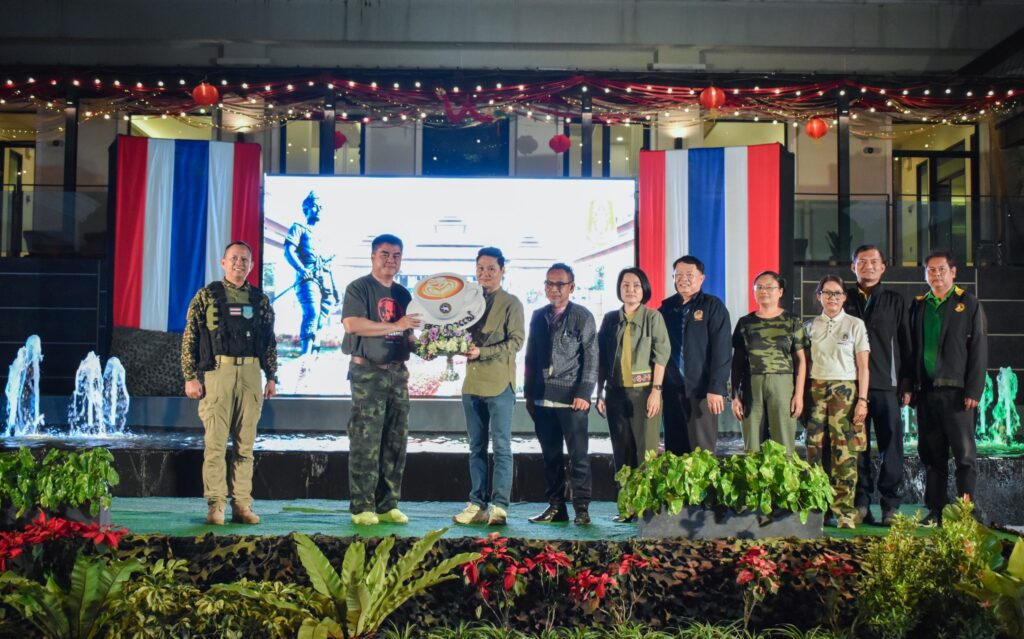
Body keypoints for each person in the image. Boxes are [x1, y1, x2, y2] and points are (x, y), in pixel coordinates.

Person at [181, 241, 277, 526]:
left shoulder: (260, 300)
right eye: (234, 258)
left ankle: (242, 504)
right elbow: (190, 337)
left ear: (252, 265)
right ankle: (216, 505)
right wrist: (190, 377)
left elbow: (268, 341)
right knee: (215, 444)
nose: (239, 263)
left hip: (251, 373)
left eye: (245, 259)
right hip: (217, 373)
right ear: (223, 262)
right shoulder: (206, 296)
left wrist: (272, 376)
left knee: (245, 446)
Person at [341, 234, 422, 526]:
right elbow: (353, 324)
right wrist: (395, 324)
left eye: (396, 255)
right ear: (373, 256)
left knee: (396, 440)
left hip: (397, 373)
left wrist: (429, 348)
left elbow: (408, 335)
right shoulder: (359, 287)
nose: (391, 260)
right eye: (385, 254)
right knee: (366, 439)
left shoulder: (403, 294)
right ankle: (362, 506)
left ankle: (388, 504)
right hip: (368, 373)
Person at [909, 250, 988, 525]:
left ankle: (965, 513)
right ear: (925, 275)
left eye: (941, 269)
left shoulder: (968, 303)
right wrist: (910, 385)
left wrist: (974, 390)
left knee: (964, 457)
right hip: (926, 392)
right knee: (932, 456)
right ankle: (936, 510)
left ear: (953, 272)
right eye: (931, 270)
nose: (936, 275)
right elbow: (911, 350)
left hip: (958, 394)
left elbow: (979, 348)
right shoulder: (919, 305)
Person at [452, 247, 525, 527]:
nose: (485, 273)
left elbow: (516, 342)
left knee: (502, 447)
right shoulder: (468, 302)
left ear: (502, 271)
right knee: (476, 447)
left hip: (500, 384)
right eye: (480, 268)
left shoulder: (511, 303)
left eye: (491, 268)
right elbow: (455, 333)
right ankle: (477, 504)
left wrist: (482, 352)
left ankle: (500, 506)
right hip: (472, 384)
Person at [524, 263, 598, 525]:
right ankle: (556, 507)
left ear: (571, 287)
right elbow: (530, 357)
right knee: (550, 457)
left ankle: (582, 510)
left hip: (572, 399)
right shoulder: (538, 316)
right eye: (549, 283)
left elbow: (592, 357)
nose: (553, 289)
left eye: (559, 284)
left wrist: (585, 393)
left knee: (579, 457)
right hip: (542, 398)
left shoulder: (582, 316)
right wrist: (529, 395)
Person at [845, 245, 913, 525]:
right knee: (857, 448)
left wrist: (907, 382)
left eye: (874, 262)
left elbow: (907, 343)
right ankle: (861, 503)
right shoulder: (844, 299)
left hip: (887, 385)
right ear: (853, 267)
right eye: (862, 262)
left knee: (891, 447)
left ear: (883, 267)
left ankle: (890, 506)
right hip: (851, 387)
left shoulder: (895, 301)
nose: (869, 266)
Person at [596, 267, 669, 522]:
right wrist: (599, 393)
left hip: (644, 393)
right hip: (615, 393)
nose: (630, 289)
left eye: (636, 285)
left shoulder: (653, 317)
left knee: (645, 452)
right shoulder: (610, 319)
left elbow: (662, 357)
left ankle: (647, 510)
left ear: (644, 289)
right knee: (622, 452)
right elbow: (602, 359)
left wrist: (656, 391)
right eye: (625, 285)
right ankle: (627, 508)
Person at [804, 275, 870, 529]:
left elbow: (863, 366)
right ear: (818, 296)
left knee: (845, 454)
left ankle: (844, 512)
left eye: (837, 293)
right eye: (827, 293)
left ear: (844, 297)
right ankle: (817, 510)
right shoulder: (809, 327)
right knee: (814, 450)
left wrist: (862, 400)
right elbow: (803, 365)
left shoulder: (855, 325)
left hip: (846, 391)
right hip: (816, 390)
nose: (832, 298)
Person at [658, 256, 732, 454]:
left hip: (702, 391)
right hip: (672, 390)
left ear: (701, 278)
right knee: (674, 452)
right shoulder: (666, 309)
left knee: (702, 452)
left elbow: (722, 350)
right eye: (678, 275)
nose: (684, 279)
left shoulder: (712, 306)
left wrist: (716, 388)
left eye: (689, 274)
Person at [730, 271, 808, 455]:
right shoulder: (745, 323)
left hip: (783, 384)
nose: (764, 291)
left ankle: (784, 474)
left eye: (769, 287)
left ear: (780, 292)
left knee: (783, 443)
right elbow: (737, 363)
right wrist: (734, 396)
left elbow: (801, 361)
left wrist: (799, 395)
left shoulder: (792, 321)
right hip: (751, 385)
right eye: (759, 287)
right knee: (752, 444)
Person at [284, 191, 338, 355]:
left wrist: (335, 289)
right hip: (308, 278)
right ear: (306, 209)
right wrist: (302, 269)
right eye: (315, 206)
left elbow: (329, 265)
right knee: (312, 313)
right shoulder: (298, 228)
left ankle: (314, 354)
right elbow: (288, 251)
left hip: (325, 279)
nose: (319, 209)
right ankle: (305, 355)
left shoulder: (325, 237)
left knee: (321, 318)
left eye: (321, 207)